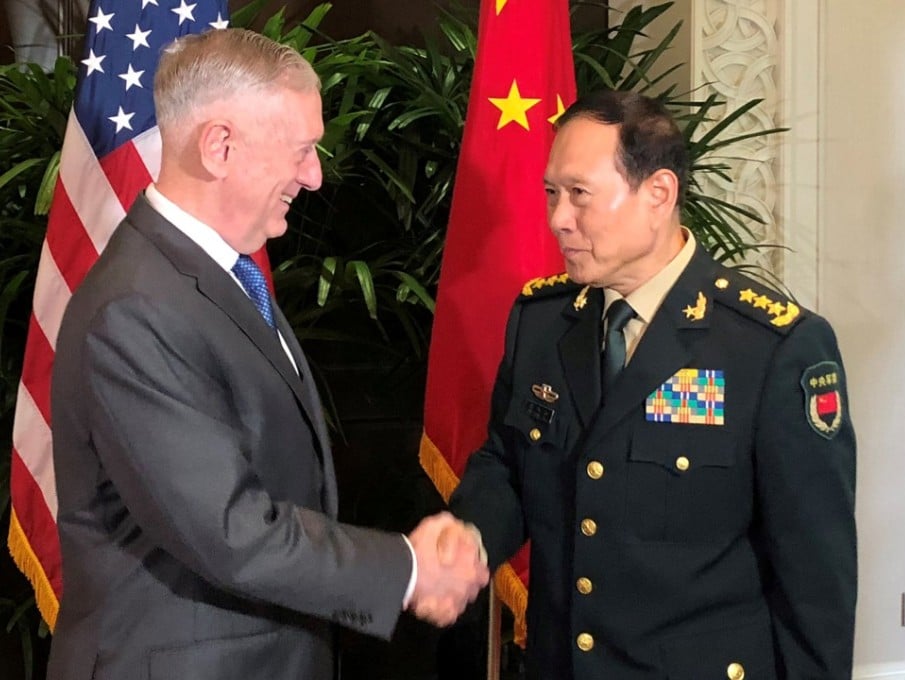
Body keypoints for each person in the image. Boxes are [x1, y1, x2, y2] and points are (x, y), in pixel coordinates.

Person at [47, 28, 487, 680]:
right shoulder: (136, 309)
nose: (313, 176)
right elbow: (229, 531)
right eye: (302, 150)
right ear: (220, 146)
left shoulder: (214, 275)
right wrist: (411, 568)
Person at [447, 90, 857, 679]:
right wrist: (468, 537)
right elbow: (509, 464)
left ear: (658, 194)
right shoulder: (542, 319)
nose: (559, 218)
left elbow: (816, 578)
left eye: (580, 195)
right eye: (552, 194)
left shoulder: (771, 347)